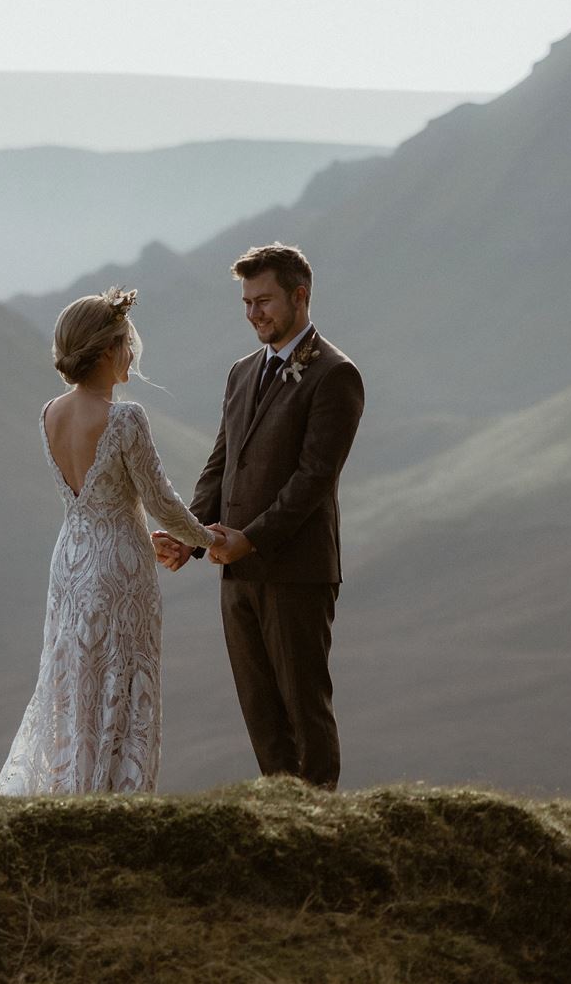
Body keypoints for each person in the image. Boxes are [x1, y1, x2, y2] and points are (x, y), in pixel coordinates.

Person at [0, 289, 220, 794]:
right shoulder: (124, 418)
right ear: (106, 350)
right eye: (125, 343)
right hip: (118, 562)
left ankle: (66, 782)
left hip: (71, 559)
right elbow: (160, 502)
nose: (132, 354)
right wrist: (207, 538)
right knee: (121, 673)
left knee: (74, 675)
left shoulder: (49, 412)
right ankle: (112, 788)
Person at [155, 243, 364, 788]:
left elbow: (314, 481)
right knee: (260, 712)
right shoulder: (241, 372)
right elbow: (221, 465)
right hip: (237, 572)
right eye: (247, 303)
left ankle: (319, 820)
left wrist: (250, 538)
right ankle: (281, 815)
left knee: (304, 708)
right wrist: (190, 537)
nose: (254, 314)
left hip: (297, 571)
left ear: (300, 296)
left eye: (265, 300)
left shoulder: (335, 375)